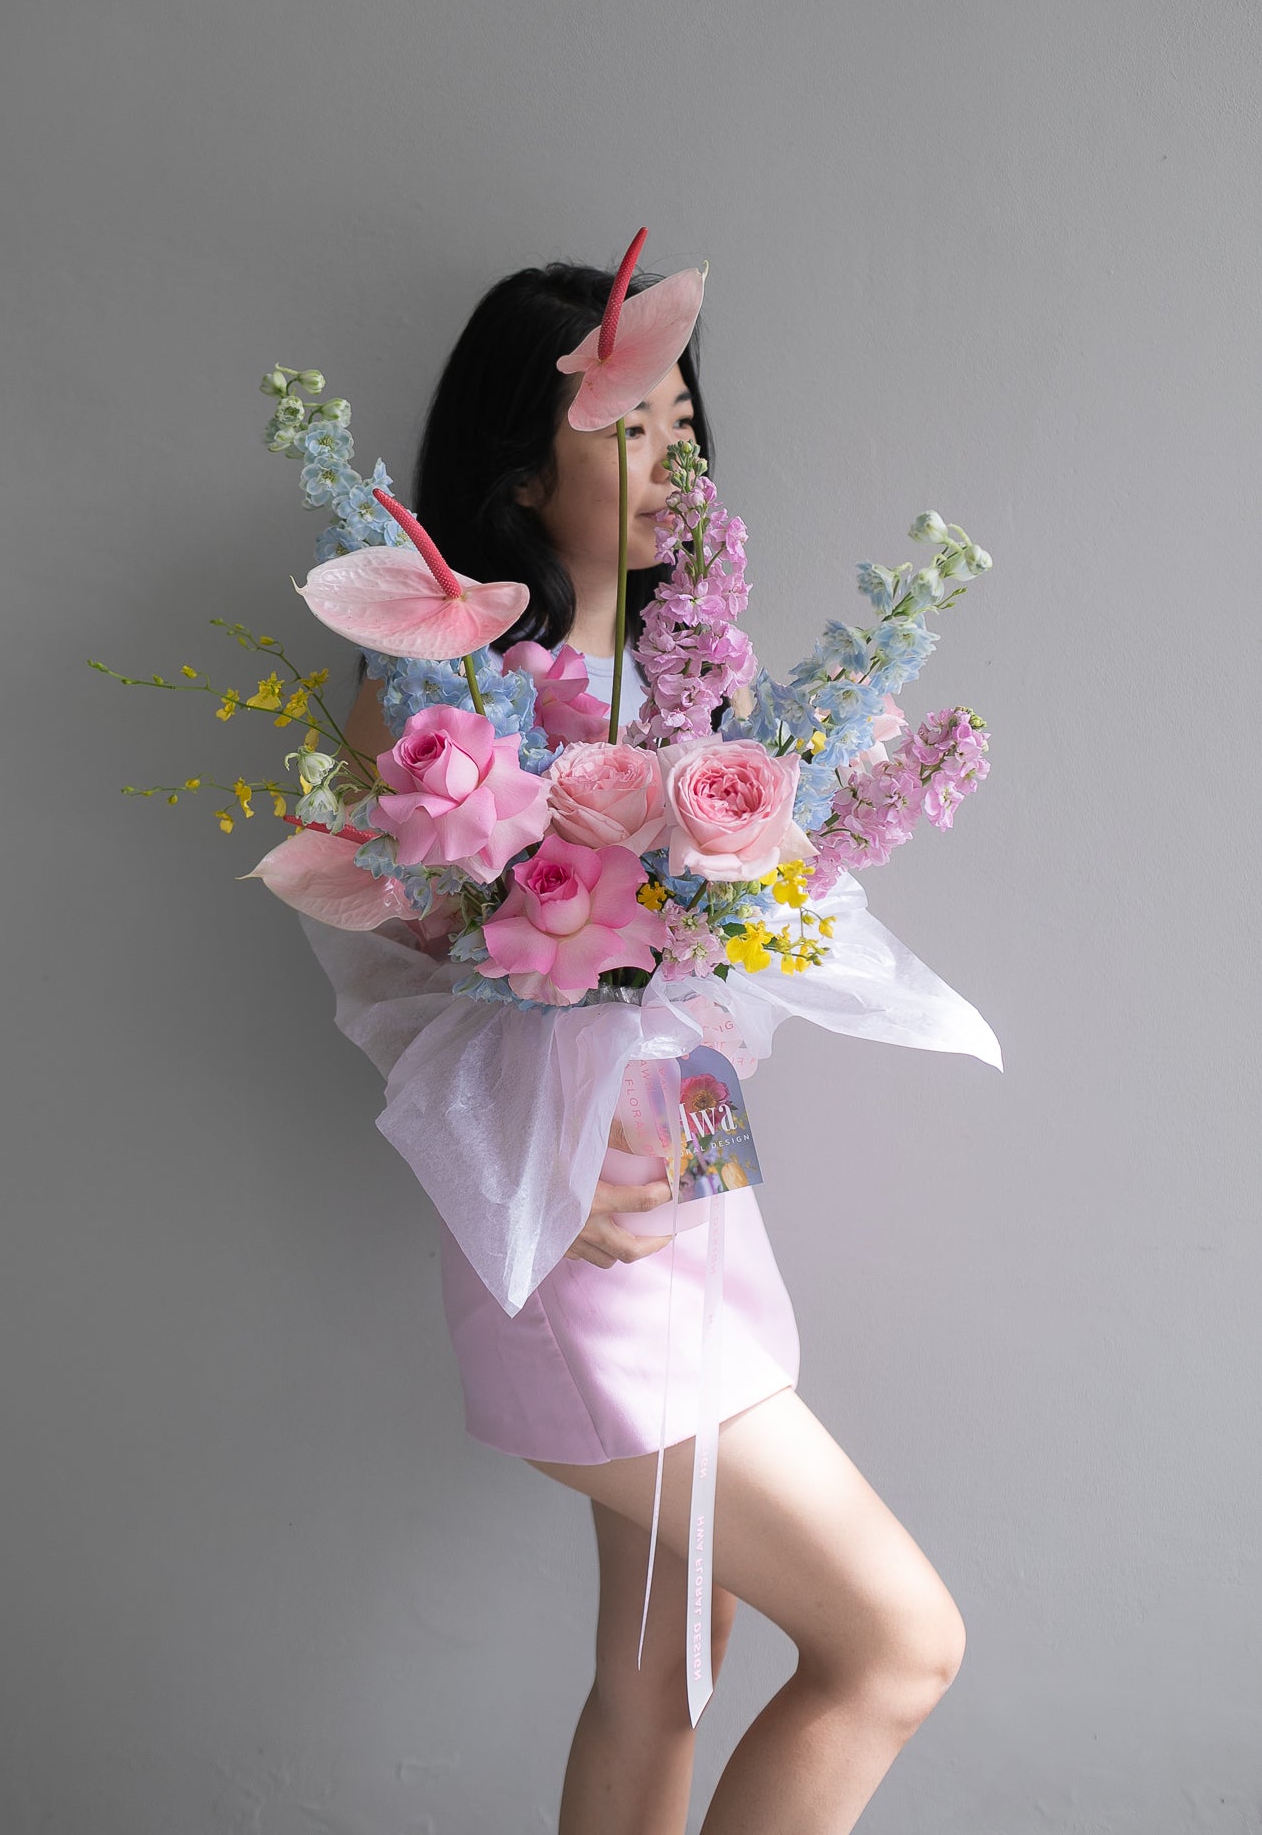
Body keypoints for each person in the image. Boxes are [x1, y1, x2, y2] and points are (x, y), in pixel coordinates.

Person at [331, 260, 968, 1835]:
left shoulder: (714, 676)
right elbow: (390, 984)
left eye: (683, 426)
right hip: (584, 1241)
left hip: (702, 1209)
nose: (675, 465)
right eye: (629, 431)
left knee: (664, 1667)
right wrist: (538, 1176)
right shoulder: (439, 693)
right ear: (518, 473)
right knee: (896, 1646)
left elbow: (715, 980)